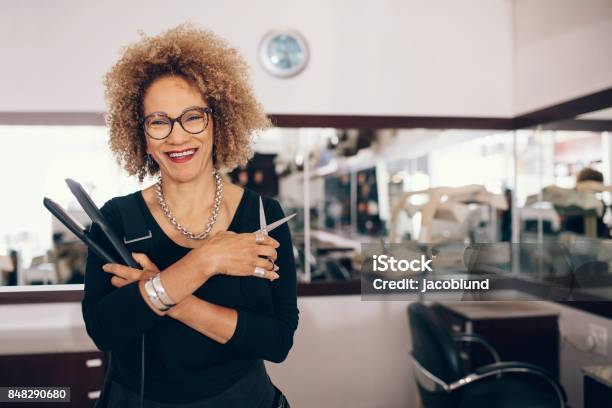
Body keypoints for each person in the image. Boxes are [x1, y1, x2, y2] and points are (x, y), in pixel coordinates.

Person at [81, 24, 298, 407]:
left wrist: (162, 292)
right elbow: (106, 332)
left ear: (218, 121)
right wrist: (206, 260)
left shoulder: (264, 216)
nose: (177, 137)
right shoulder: (115, 219)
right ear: (143, 134)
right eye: (159, 121)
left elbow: (277, 341)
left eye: (193, 117)